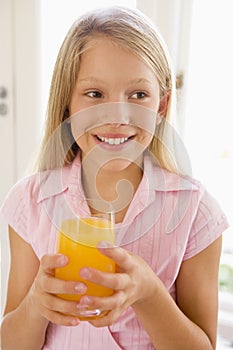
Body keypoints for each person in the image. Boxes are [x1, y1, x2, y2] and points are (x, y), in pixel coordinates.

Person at [0, 5, 229, 350]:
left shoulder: (196, 212)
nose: (117, 116)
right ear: (68, 104)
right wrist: (35, 305)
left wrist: (149, 294)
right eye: (95, 95)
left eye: (138, 95)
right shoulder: (30, 201)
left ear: (161, 107)